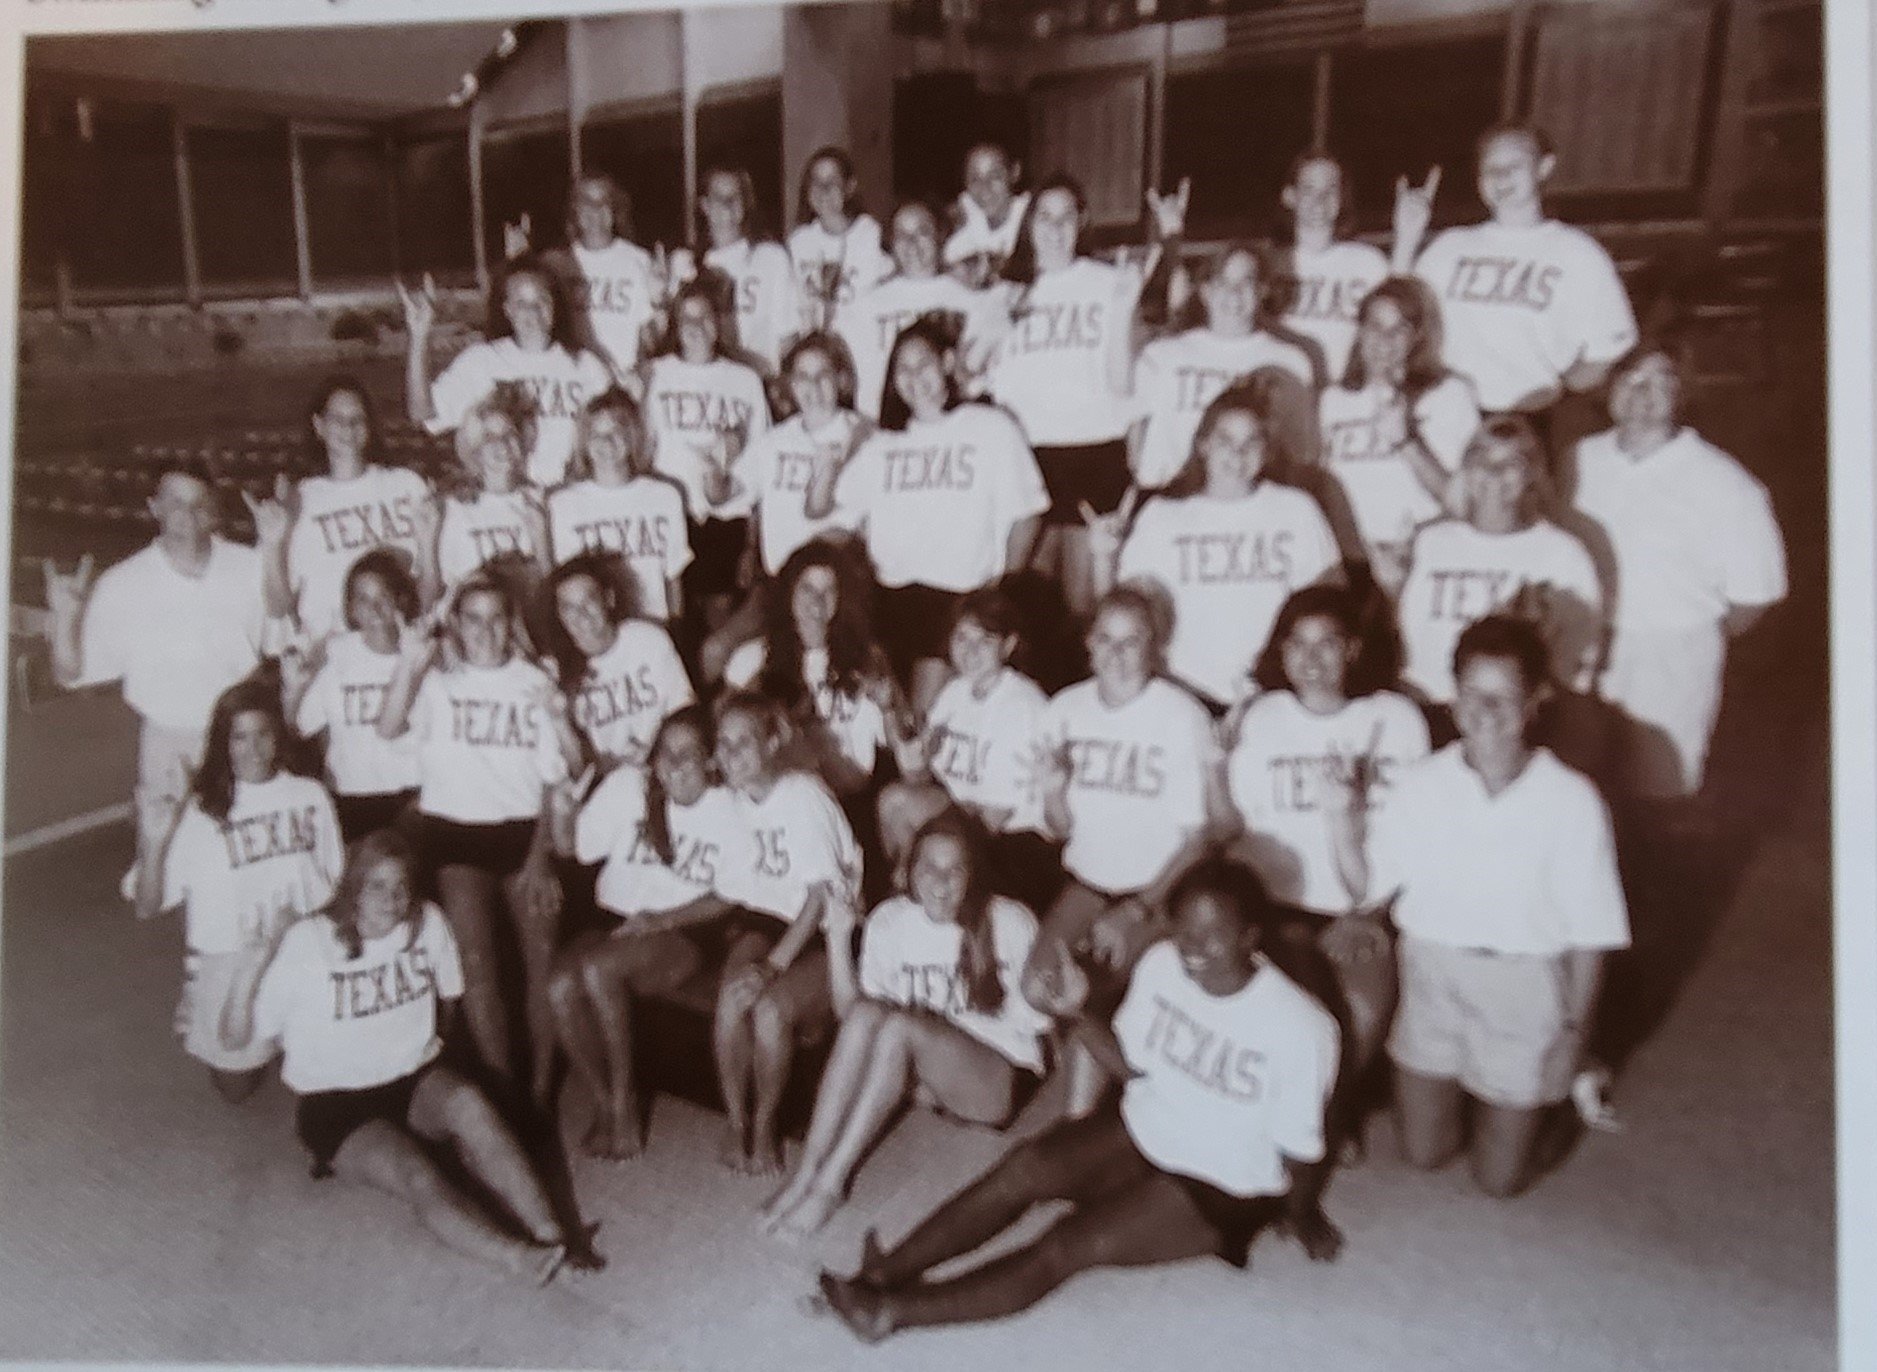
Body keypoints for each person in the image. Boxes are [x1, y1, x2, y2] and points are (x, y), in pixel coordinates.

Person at [816, 856, 1341, 1342]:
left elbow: (1300, 1148)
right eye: (1183, 930)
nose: (1193, 949)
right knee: (1024, 1167)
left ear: (1251, 937)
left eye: (1213, 936)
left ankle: (889, 1314)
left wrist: (1302, 1213)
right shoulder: (1162, 964)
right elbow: (1130, 1067)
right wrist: (1077, 1013)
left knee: (1068, 1244)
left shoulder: (1301, 1027)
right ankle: (883, 1272)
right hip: (1145, 1129)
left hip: (1219, 1185)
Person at [1327, 614, 1629, 1197]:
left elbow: (1592, 935)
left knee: (1500, 1182)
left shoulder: (1572, 801)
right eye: (1471, 694)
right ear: (1452, 692)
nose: (1485, 712)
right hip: (1432, 976)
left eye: (1504, 697)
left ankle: (1570, 1085)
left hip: (1525, 987)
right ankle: (1499, 1093)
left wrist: (1573, 1035)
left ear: (1536, 700)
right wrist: (1341, 816)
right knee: (1424, 1153)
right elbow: (1366, 888)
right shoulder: (1421, 783)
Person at [221, 830, 599, 1283]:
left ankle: (553, 1233)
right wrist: (252, 965)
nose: (392, 898)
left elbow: (449, 1000)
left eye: (401, 885)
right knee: (414, 1174)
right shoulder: (310, 943)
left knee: (473, 1106)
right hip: (336, 1102)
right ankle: (518, 1259)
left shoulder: (428, 922)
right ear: (353, 890)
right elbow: (238, 1039)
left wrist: (421, 1054)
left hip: (412, 1076)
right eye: (377, 885)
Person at [761, 808, 1049, 1237]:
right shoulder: (889, 920)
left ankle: (830, 1184)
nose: (941, 881)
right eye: (929, 867)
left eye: (956, 870)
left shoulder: (1009, 920)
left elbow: (1033, 1031)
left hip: (997, 1079)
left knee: (901, 1028)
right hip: (925, 1074)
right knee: (872, 1015)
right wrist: (838, 939)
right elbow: (853, 1019)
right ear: (909, 870)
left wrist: (943, 1034)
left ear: (974, 875)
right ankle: (807, 1172)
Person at [1022, 584, 1238, 1117]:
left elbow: (1198, 841)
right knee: (1037, 987)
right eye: (1106, 641)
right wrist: (1052, 792)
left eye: (1132, 642)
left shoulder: (1181, 715)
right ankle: (1111, 1070)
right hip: (1089, 884)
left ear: (1153, 647)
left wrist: (1137, 910)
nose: (1117, 656)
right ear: (1089, 645)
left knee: (1093, 991)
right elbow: (1056, 830)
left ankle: (1086, 1119)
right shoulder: (1063, 709)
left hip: (1158, 891)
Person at [1224, 585, 1429, 1121]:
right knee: (1281, 1001)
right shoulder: (1261, 717)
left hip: (1368, 907)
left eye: (1327, 645)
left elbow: (1417, 838)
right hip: (1278, 903)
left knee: (1362, 1009)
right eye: (1297, 645)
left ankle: (1328, 1115)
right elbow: (1236, 833)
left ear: (1353, 650)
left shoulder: (1398, 719)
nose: (1311, 660)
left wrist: (1373, 916)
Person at [43, 456, 275, 916]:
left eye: (197, 505)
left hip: (243, 735)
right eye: (174, 504)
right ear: (154, 508)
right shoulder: (123, 585)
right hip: (170, 742)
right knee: (167, 873)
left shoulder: (249, 566)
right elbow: (71, 674)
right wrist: (67, 621)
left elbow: (281, 639)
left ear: (212, 510)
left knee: (258, 858)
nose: (187, 517)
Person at [377, 572, 573, 1106]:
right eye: (473, 618)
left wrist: (541, 859)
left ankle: (539, 1093)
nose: (485, 629)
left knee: (542, 964)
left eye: (496, 617)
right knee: (478, 967)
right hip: (455, 841)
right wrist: (410, 664)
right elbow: (389, 728)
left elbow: (556, 780)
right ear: (456, 626)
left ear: (511, 624)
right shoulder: (437, 682)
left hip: (523, 839)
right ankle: (503, 1091)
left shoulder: (534, 683)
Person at [1566, 342, 1787, 805]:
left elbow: (1753, 598)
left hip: (1670, 655)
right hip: (1581, 646)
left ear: (1681, 391)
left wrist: (1685, 636)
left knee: (1656, 793)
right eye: (1628, 378)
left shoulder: (1725, 483)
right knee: (1575, 786)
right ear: (1607, 390)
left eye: (1659, 380)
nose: (1641, 392)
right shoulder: (1577, 461)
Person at [810, 314, 1049, 711]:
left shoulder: (990, 427)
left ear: (948, 364)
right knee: (885, 717)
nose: (913, 377)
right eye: (902, 368)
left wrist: (996, 593)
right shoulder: (881, 444)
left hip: (957, 603)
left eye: (924, 364)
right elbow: (840, 521)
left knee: (924, 719)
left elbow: (1028, 515)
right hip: (889, 600)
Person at [547, 706, 748, 1159]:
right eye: (665, 754)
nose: (675, 765)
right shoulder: (628, 788)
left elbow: (729, 896)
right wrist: (563, 807)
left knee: (598, 970)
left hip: (686, 929)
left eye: (688, 754)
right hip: (613, 917)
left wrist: (660, 921)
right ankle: (602, 1101)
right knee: (558, 986)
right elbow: (575, 850)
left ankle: (625, 1106)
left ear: (711, 761)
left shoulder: (729, 808)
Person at [987, 175, 1176, 616]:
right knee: (1026, 608)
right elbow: (982, 383)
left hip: (1094, 454)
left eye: (1066, 218)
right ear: (1028, 225)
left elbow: (1122, 384)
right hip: (1027, 459)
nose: (1054, 230)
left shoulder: (1109, 282)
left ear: (1082, 224)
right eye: (1044, 218)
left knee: (1085, 607)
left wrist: (1129, 300)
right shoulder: (1006, 295)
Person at [1091, 381, 1342, 711]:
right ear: (1203, 445)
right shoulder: (1162, 516)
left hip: (1272, 694)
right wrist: (1102, 558)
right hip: (1183, 691)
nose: (1238, 454)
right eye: (1225, 440)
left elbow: (1331, 605)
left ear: (1267, 451)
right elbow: (1117, 614)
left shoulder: (1297, 510)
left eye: (1252, 442)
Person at [151, 676, 343, 1101]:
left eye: (263, 735)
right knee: (235, 1089)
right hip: (237, 956)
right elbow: (157, 900)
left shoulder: (309, 795)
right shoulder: (203, 810)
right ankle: (199, 984)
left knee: (325, 1064)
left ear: (279, 737)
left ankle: (289, 1019)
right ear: (223, 743)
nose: (253, 749)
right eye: (239, 738)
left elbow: (330, 878)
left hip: (298, 942)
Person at [710, 691, 863, 1177]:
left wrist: (773, 966)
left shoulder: (803, 793)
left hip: (824, 925)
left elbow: (819, 895)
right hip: (768, 920)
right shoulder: (732, 801)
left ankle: (766, 1126)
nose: (732, 754)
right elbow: (741, 892)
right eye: (723, 743)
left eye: (745, 741)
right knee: (733, 998)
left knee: (771, 1010)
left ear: (772, 742)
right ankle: (736, 1122)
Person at [1395, 124, 1638, 429]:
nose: (1501, 177)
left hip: (1528, 422)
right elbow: (1396, 312)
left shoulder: (1578, 253)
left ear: (1544, 168)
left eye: (1515, 165)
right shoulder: (1449, 247)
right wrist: (1407, 237)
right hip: (1447, 414)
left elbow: (1608, 350)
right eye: (1490, 169)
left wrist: (1556, 392)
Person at [1391, 415, 1604, 734]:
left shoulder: (1563, 553)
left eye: (1512, 462)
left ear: (1533, 474)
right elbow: (1406, 634)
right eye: (1481, 459)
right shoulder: (1430, 542)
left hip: (1510, 720)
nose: (1494, 472)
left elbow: (1577, 659)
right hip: (1430, 707)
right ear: (1465, 471)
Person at [876, 587, 1060, 914]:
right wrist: (891, 711)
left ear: (1008, 645)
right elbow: (916, 776)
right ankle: (914, 898)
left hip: (1013, 842)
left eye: (985, 641)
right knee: (894, 800)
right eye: (961, 638)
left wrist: (928, 854)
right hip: (965, 816)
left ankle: (920, 896)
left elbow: (992, 816)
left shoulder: (1022, 705)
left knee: (901, 807)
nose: (970, 651)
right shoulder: (956, 691)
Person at [1318, 278, 1482, 579]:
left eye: (1400, 330)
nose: (1385, 340)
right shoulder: (1333, 400)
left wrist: (1407, 442)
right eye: (1375, 326)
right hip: (1353, 561)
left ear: (1416, 337)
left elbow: (1464, 502)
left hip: (1420, 556)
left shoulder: (1449, 394)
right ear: (1359, 332)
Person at [722, 539, 903, 808]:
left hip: (849, 796)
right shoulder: (751, 658)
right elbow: (728, 740)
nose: (818, 600)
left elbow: (897, 744)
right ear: (789, 593)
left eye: (829, 589)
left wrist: (890, 707)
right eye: (807, 588)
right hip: (780, 795)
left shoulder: (866, 658)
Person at [401, 257, 610, 489]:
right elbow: (421, 413)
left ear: (554, 306)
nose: (532, 311)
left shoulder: (587, 366)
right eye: (521, 303)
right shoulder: (483, 361)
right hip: (506, 497)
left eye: (541, 300)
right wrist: (419, 336)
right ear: (507, 310)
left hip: (570, 494)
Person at [640, 276, 774, 637]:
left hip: (725, 520)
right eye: (687, 318)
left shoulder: (745, 380)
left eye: (706, 317)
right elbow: (641, 448)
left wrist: (752, 543)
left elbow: (760, 465)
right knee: (677, 625)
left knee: (721, 625)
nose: (697, 327)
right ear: (675, 325)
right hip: (673, 514)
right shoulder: (656, 374)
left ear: (720, 322)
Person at [1128, 242, 1317, 493]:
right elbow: (1136, 432)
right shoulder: (1163, 354)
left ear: (1262, 290)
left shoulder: (1291, 360)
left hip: (1248, 500)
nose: (1234, 293)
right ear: (1205, 292)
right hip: (1173, 497)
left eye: (1246, 282)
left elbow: (1298, 448)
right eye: (1222, 282)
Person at [283, 549, 425, 846]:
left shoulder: (421, 651)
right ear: (351, 607)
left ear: (400, 600)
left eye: (383, 597)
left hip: (414, 794)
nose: (374, 609)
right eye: (363, 599)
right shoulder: (336, 654)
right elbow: (297, 727)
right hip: (352, 797)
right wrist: (294, 690)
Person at [277, 377, 435, 641]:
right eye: (337, 419)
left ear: (370, 426)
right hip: (333, 651)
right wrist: (274, 545)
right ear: (319, 426)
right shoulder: (299, 500)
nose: (348, 428)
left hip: (400, 642)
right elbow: (279, 605)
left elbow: (430, 583)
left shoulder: (406, 484)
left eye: (357, 419)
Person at [538, 551, 694, 774]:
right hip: (611, 781)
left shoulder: (648, 639)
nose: (581, 615)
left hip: (666, 765)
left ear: (608, 599)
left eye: (589, 600)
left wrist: (654, 752)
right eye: (569, 608)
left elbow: (684, 713)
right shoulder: (557, 671)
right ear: (559, 616)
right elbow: (577, 768)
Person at [835, 200, 992, 420]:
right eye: (902, 234)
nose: (912, 242)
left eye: (923, 231)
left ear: (939, 236)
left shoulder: (969, 302)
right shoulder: (866, 305)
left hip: (952, 423)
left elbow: (979, 375)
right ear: (891, 243)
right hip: (882, 423)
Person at [547, 389, 692, 625]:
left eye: (616, 431)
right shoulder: (562, 503)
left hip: (655, 624)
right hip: (596, 631)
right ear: (584, 442)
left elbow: (673, 578)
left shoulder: (665, 496)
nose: (607, 442)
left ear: (633, 436)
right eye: (596, 434)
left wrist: (677, 630)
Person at [506, 173, 663, 386]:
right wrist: (518, 261)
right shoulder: (555, 263)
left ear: (615, 210)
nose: (595, 210)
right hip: (570, 378)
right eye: (586, 202)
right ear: (575, 211)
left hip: (621, 381)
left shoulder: (638, 260)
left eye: (603, 203)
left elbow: (649, 334)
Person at [1269, 151, 1391, 382]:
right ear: (1289, 196)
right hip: (1284, 397)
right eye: (1309, 188)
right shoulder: (1268, 264)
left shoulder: (1368, 263)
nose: (1320, 199)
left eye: (1331, 189)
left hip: (1345, 395)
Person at [423, 386, 553, 596]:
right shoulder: (453, 508)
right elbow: (435, 592)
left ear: (522, 441)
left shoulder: (541, 501)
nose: (501, 444)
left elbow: (554, 591)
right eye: (489, 437)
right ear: (475, 450)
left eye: (509, 433)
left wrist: (540, 537)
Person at [674, 166, 798, 375]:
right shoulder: (685, 262)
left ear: (745, 203)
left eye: (735, 196)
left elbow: (788, 335)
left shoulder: (770, 257)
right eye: (718, 197)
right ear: (704, 205)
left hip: (760, 377)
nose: (727, 204)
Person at [788, 146, 893, 337]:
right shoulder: (799, 242)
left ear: (849, 187)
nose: (823, 189)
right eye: (816, 181)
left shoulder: (871, 236)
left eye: (832, 181)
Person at [942, 143, 1031, 290]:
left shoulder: (1031, 215)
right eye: (975, 179)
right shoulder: (963, 221)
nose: (985, 188)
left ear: (1015, 173)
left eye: (995, 176)